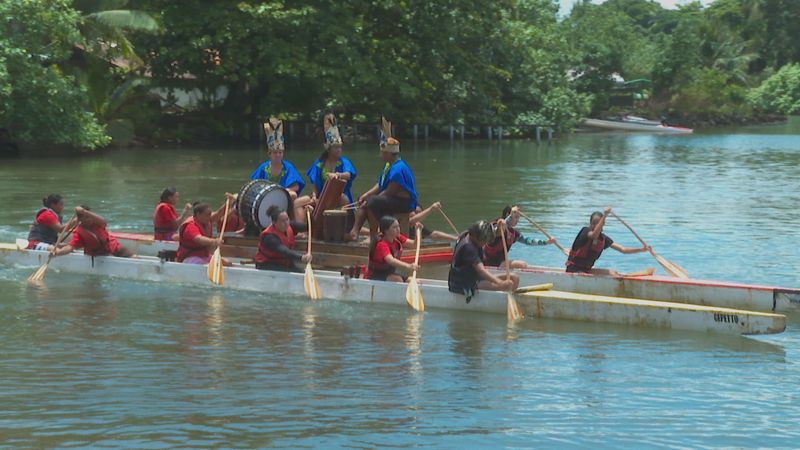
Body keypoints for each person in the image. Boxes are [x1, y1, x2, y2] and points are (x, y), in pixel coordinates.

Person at [346, 117, 418, 240]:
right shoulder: (389, 166)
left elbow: (389, 192)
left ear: (389, 153)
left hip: (405, 203)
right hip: (393, 199)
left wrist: (370, 199)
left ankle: (375, 234)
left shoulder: (398, 168)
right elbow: (380, 185)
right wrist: (366, 195)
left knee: (371, 202)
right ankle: (355, 232)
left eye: (383, 153)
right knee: (366, 201)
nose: (380, 155)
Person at [249, 117, 311, 219]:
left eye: (280, 153)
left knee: (293, 195)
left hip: (283, 197)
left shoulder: (287, 167)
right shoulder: (264, 167)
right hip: (266, 198)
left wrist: (283, 190)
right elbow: (254, 185)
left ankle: (295, 224)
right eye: (275, 153)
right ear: (269, 154)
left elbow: (296, 187)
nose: (278, 155)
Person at [448, 221, 519, 303]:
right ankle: (504, 301)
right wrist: (500, 283)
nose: (485, 243)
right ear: (476, 237)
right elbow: (481, 270)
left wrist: (499, 228)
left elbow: (492, 231)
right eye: (484, 241)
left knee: (514, 277)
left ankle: (509, 299)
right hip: (464, 284)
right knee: (505, 284)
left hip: (474, 277)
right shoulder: (468, 248)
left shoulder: (469, 233)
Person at [566, 207, 650, 275]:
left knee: (613, 273)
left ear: (603, 224)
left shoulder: (603, 239)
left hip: (587, 270)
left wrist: (642, 249)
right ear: (590, 224)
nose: (595, 226)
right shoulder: (585, 231)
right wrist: (605, 215)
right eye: (593, 223)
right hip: (573, 269)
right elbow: (594, 235)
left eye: (598, 223)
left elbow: (622, 249)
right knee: (583, 275)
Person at [306, 113, 358, 206]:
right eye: (336, 147)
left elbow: (348, 174)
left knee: (342, 197)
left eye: (340, 147)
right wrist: (314, 196)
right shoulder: (319, 164)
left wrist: (337, 175)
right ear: (329, 149)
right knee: (303, 201)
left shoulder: (344, 162)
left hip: (340, 197)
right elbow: (315, 186)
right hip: (322, 198)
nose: (339, 150)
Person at [482, 205, 555, 269]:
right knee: (522, 264)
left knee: (523, 264)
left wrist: (546, 242)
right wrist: (511, 216)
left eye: (518, 218)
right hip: (488, 262)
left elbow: (527, 241)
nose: (518, 220)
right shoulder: (497, 225)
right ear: (508, 215)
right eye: (516, 217)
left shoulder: (513, 233)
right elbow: (497, 230)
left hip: (500, 263)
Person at [52, 206, 134, 257]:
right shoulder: (79, 232)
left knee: (125, 252)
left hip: (112, 247)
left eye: (89, 216)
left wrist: (84, 212)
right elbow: (70, 247)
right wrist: (57, 253)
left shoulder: (97, 223)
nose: (89, 219)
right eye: (86, 217)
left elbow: (104, 221)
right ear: (80, 219)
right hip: (97, 255)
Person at [176, 196, 235, 265]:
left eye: (210, 214)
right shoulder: (190, 226)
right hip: (190, 257)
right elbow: (199, 239)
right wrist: (214, 241)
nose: (209, 217)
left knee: (228, 263)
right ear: (198, 214)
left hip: (203, 256)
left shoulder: (205, 220)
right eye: (207, 215)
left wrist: (228, 203)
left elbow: (218, 213)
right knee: (209, 266)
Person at [254, 205, 312, 272]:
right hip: (266, 264)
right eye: (282, 221)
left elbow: (308, 227)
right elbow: (284, 251)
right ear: (274, 222)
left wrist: (309, 215)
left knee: (301, 272)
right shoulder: (269, 237)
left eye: (287, 219)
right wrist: (301, 257)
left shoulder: (289, 225)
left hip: (283, 262)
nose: (286, 223)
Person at [367, 216, 420, 282]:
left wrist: (417, 232)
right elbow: (391, 260)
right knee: (398, 280)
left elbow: (414, 245)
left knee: (416, 281)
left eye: (398, 226)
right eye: (394, 227)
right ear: (386, 231)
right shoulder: (381, 244)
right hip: (376, 275)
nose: (398, 229)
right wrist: (408, 266)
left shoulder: (398, 238)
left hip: (389, 273)